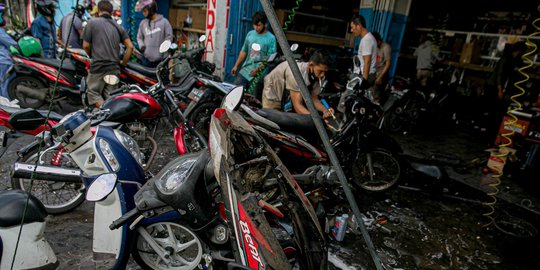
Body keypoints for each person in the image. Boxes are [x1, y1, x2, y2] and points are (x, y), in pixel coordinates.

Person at [82, 0, 133, 108]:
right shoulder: (118, 27)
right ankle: (110, 116)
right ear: (111, 11)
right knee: (111, 96)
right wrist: (123, 64)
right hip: (114, 68)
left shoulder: (92, 23)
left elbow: (85, 46)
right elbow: (130, 47)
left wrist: (92, 55)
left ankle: (103, 112)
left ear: (99, 10)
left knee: (93, 92)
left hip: (98, 67)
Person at [261, 49, 334, 119]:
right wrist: (317, 121)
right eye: (321, 71)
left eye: (325, 71)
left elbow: (313, 98)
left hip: (285, 91)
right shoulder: (296, 73)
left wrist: (325, 110)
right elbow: (298, 106)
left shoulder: (316, 75)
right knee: (272, 116)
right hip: (273, 88)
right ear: (311, 64)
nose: (322, 75)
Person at [483, 41, 527, 144]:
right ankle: (488, 136)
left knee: (497, 113)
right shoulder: (506, 59)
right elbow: (500, 75)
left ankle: (492, 136)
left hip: (501, 88)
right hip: (494, 87)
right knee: (494, 112)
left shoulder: (515, 60)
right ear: (520, 51)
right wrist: (499, 90)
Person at [231, 11, 277, 92]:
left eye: (259, 25)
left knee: (253, 101)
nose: (256, 28)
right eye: (254, 25)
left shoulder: (271, 39)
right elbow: (243, 51)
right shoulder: (250, 34)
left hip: (260, 76)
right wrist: (236, 65)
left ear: (264, 24)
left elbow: (270, 59)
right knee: (235, 92)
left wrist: (258, 70)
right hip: (245, 71)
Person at [135, 0, 173, 68]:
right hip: (146, 60)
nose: (143, 13)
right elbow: (139, 37)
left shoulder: (164, 22)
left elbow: (169, 37)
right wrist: (142, 46)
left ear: (151, 9)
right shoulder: (143, 23)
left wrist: (163, 49)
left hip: (161, 60)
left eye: (145, 11)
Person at [0, 3, 18, 98]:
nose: (5, 18)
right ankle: (7, 105)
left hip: (3, 60)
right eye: (3, 16)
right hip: (3, 60)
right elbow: (12, 43)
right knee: (6, 84)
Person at [372, 31, 392, 102]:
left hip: (382, 75)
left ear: (378, 41)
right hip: (375, 73)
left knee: (376, 97)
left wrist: (380, 77)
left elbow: (388, 64)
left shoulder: (386, 47)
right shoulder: (375, 47)